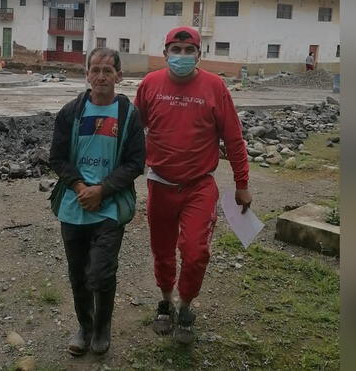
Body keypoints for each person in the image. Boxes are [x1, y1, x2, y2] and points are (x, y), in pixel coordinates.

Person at [134, 27, 252, 344]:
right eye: (176, 50)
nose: (182, 56)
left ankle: (185, 306)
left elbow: (234, 139)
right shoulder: (149, 84)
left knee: (196, 251)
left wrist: (242, 183)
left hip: (199, 185)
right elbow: (134, 130)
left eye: (189, 51)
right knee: (162, 250)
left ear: (199, 54)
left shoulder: (215, 87)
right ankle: (165, 301)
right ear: (166, 53)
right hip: (159, 183)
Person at [48, 47, 145, 355]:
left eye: (107, 70)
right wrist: (79, 187)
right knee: (78, 274)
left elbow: (134, 163)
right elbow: (57, 158)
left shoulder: (128, 115)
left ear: (119, 75)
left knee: (100, 273)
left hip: (110, 206)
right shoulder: (70, 112)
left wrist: (101, 190)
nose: (101, 76)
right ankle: (85, 327)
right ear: (86, 74)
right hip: (74, 205)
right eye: (95, 69)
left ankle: (103, 327)